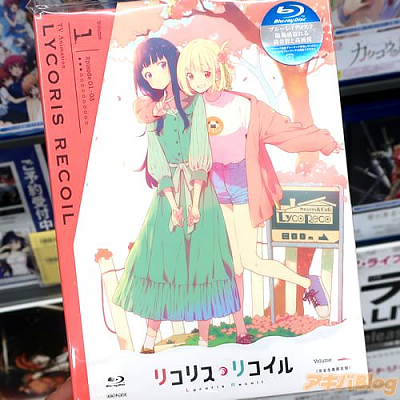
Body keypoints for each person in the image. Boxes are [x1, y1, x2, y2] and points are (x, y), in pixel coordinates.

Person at [176, 39, 341, 342]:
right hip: (214, 187)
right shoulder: (191, 109)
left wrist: (324, 142)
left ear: (217, 71)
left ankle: (308, 283)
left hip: (244, 184)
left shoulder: (243, 106)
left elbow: (284, 133)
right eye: (190, 75)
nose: (198, 81)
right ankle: (241, 330)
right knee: (234, 264)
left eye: (205, 73)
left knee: (249, 260)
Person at [112, 38, 240, 353]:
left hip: (200, 192)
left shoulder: (196, 103)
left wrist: (194, 204)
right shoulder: (149, 110)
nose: (155, 74)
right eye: (148, 72)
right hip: (166, 194)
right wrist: (172, 205)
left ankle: (205, 339)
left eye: (160, 64)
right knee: (160, 262)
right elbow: (157, 160)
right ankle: (149, 339)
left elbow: (200, 151)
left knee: (204, 262)